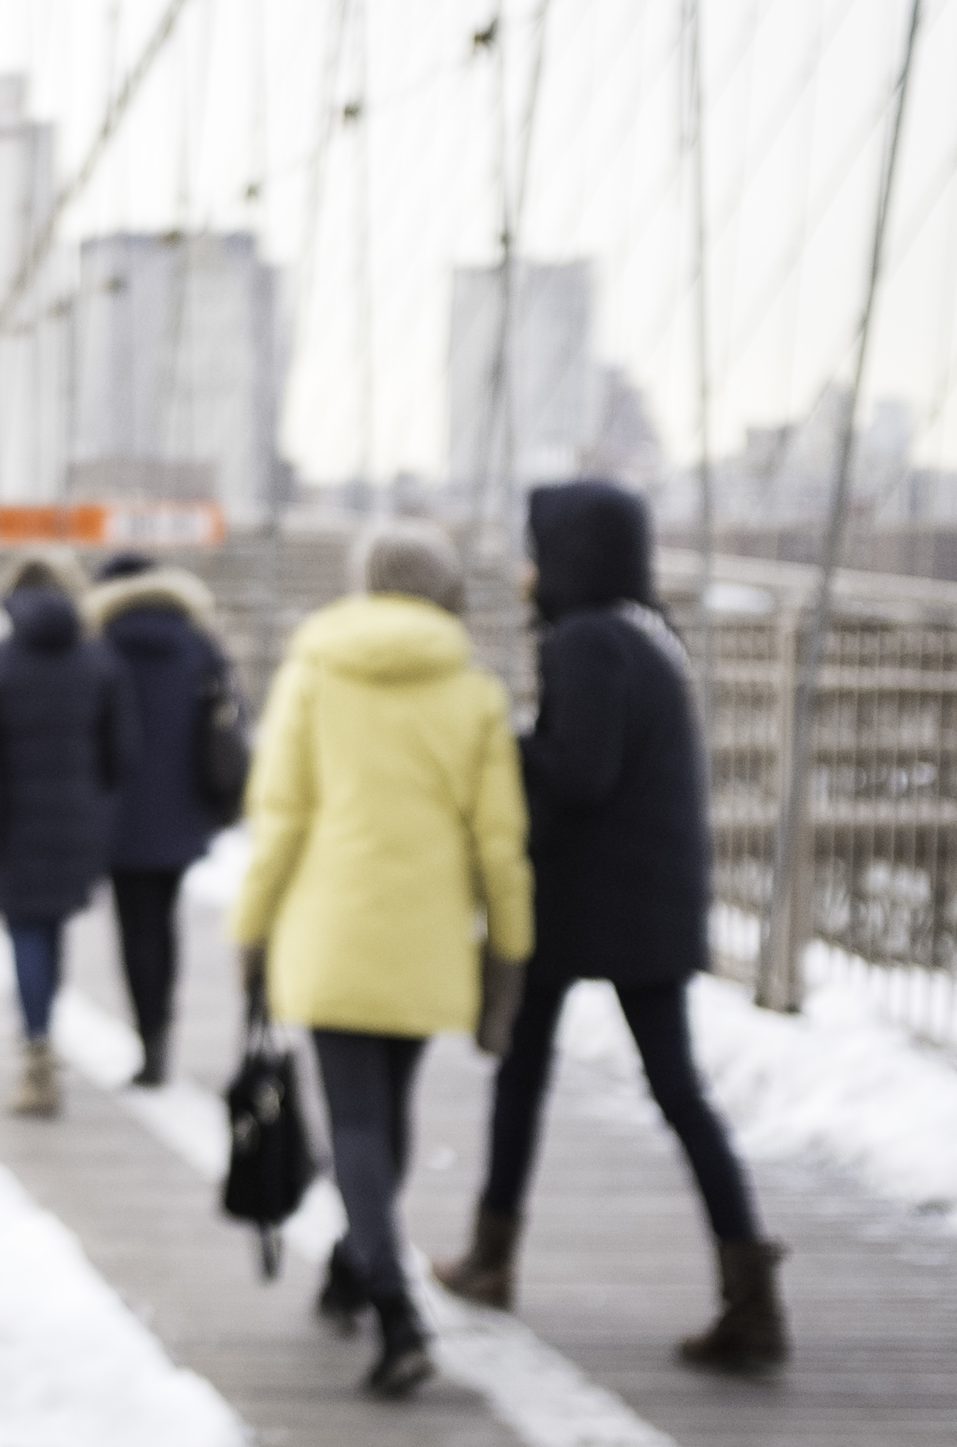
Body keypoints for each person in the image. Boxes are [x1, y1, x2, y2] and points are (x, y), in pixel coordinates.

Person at [438, 481, 786, 1371]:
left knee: (523, 1073)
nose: (524, 568)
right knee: (678, 1090)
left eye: (536, 548)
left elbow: (578, 774)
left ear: (568, 554)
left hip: (584, 901)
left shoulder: (584, 641)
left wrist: (500, 746)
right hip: (650, 902)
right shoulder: (646, 637)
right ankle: (749, 1288)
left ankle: (491, 1255)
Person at [230, 521, 532, 1398]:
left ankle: (395, 1310)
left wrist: (250, 932)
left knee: (359, 1123)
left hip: (328, 934)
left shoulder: (314, 672)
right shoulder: (474, 692)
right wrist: (507, 958)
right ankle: (347, 1267)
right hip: (428, 941)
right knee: (384, 1116)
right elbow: (500, 845)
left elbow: (279, 816)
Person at [0, 548, 135, 1119]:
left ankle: (35, 1048)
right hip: (75, 821)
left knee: (24, 933)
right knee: (52, 929)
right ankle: (43, 1030)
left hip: (6, 821)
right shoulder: (99, 662)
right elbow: (122, 756)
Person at [87, 552, 231, 1087]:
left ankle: (151, 1038)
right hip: (183, 810)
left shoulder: (101, 645)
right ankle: (163, 1026)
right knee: (164, 923)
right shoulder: (198, 643)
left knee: (134, 928)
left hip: (119, 813)